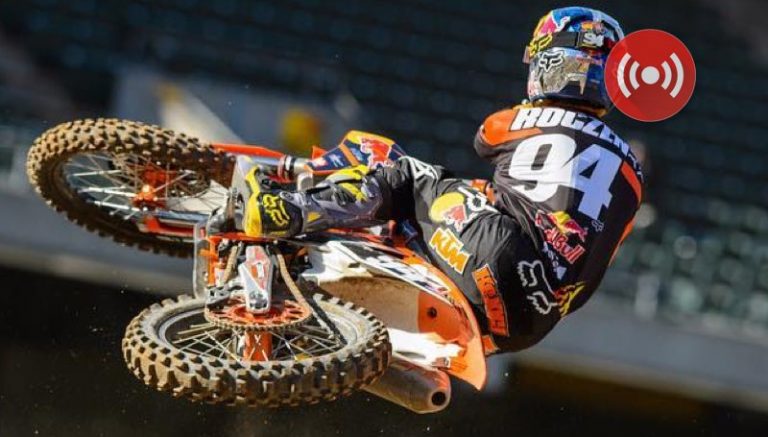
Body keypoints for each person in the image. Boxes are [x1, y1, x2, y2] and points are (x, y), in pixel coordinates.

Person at [241, 7, 644, 353]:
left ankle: (289, 209)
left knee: (409, 175)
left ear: (552, 63)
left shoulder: (520, 120)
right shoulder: (632, 173)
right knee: (462, 201)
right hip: (533, 322)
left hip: (499, 256)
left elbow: (485, 139)